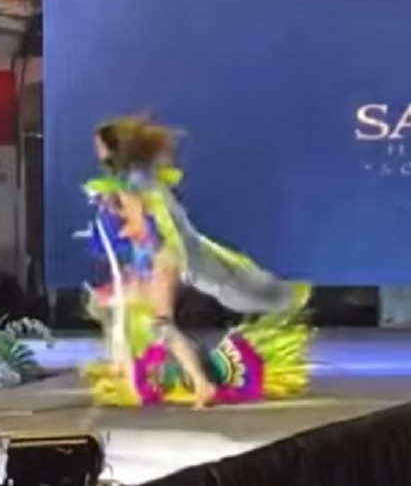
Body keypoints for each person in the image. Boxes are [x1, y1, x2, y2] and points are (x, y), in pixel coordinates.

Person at [87, 115, 306, 408]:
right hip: (162, 256)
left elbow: (143, 226)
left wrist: (120, 222)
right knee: (124, 311)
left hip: (164, 257)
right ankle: (139, 372)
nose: (96, 151)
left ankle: (201, 384)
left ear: (112, 149)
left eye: (99, 145)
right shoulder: (139, 179)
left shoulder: (134, 185)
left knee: (160, 323)